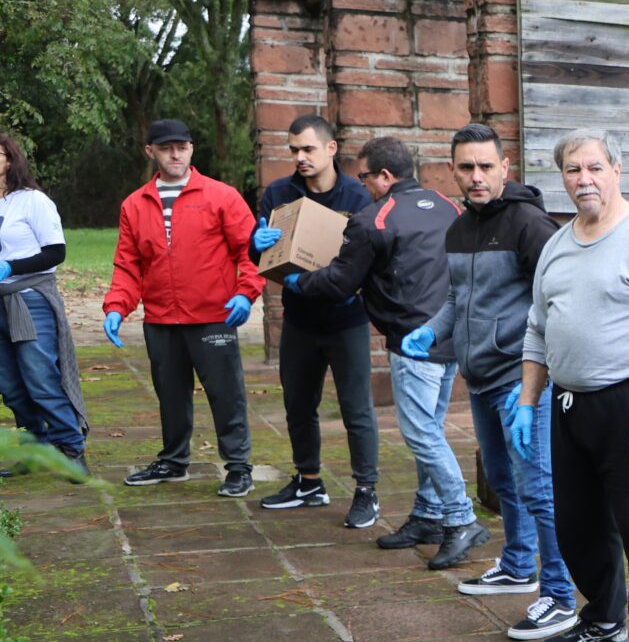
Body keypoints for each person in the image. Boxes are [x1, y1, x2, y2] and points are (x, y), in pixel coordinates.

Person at [511, 129, 629, 642]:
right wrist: (525, 400)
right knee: (578, 526)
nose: (583, 179)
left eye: (594, 168)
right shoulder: (558, 245)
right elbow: (538, 329)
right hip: (567, 405)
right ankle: (604, 619)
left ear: (616, 169)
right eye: (572, 171)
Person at [399, 124, 575, 632]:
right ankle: (519, 567)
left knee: (539, 486)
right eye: (465, 168)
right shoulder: (458, 229)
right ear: (452, 170)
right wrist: (429, 333)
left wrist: (540, 376)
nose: (476, 177)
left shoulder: (528, 224)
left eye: (485, 166)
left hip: (523, 381)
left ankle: (560, 593)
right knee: (502, 481)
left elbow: (558, 298)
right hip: (480, 378)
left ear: (504, 167)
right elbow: (458, 300)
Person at [289, 137, 484, 569]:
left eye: (366, 177)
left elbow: (340, 282)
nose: (365, 185)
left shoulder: (373, 219)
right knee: (431, 427)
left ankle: (460, 518)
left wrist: (297, 281)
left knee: (421, 434)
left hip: (413, 339)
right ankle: (428, 515)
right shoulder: (449, 207)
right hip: (451, 336)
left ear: (385, 176)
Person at [105, 119, 259, 497]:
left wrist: (245, 293)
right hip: (160, 317)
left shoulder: (221, 196)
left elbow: (251, 250)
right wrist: (116, 307)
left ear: (192, 148)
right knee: (170, 393)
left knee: (226, 394)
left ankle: (238, 466)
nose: (176, 154)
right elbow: (128, 264)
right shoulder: (134, 205)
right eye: (166, 147)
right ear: (151, 151)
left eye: (183, 146)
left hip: (213, 314)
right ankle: (174, 461)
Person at [250, 114, 378, 527]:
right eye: (294, 150)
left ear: (330, 149)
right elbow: (263, 259)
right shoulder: (279, 194)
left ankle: (366, 491)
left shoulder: (358, 198)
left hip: (346, 320)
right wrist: (257, 245)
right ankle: (309, 481)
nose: (300, 157)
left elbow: (369, 262)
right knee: (298, 404)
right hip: (300, 320)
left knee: (356, 409)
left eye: (307, 149)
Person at [0, 132, 88, 472]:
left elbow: (56, 252)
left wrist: (12, 267)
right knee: (10, 385)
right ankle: (34, 450)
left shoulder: (33, 201)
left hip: (29, 300)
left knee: (40, 379)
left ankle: (71, 449)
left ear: (11, 158)